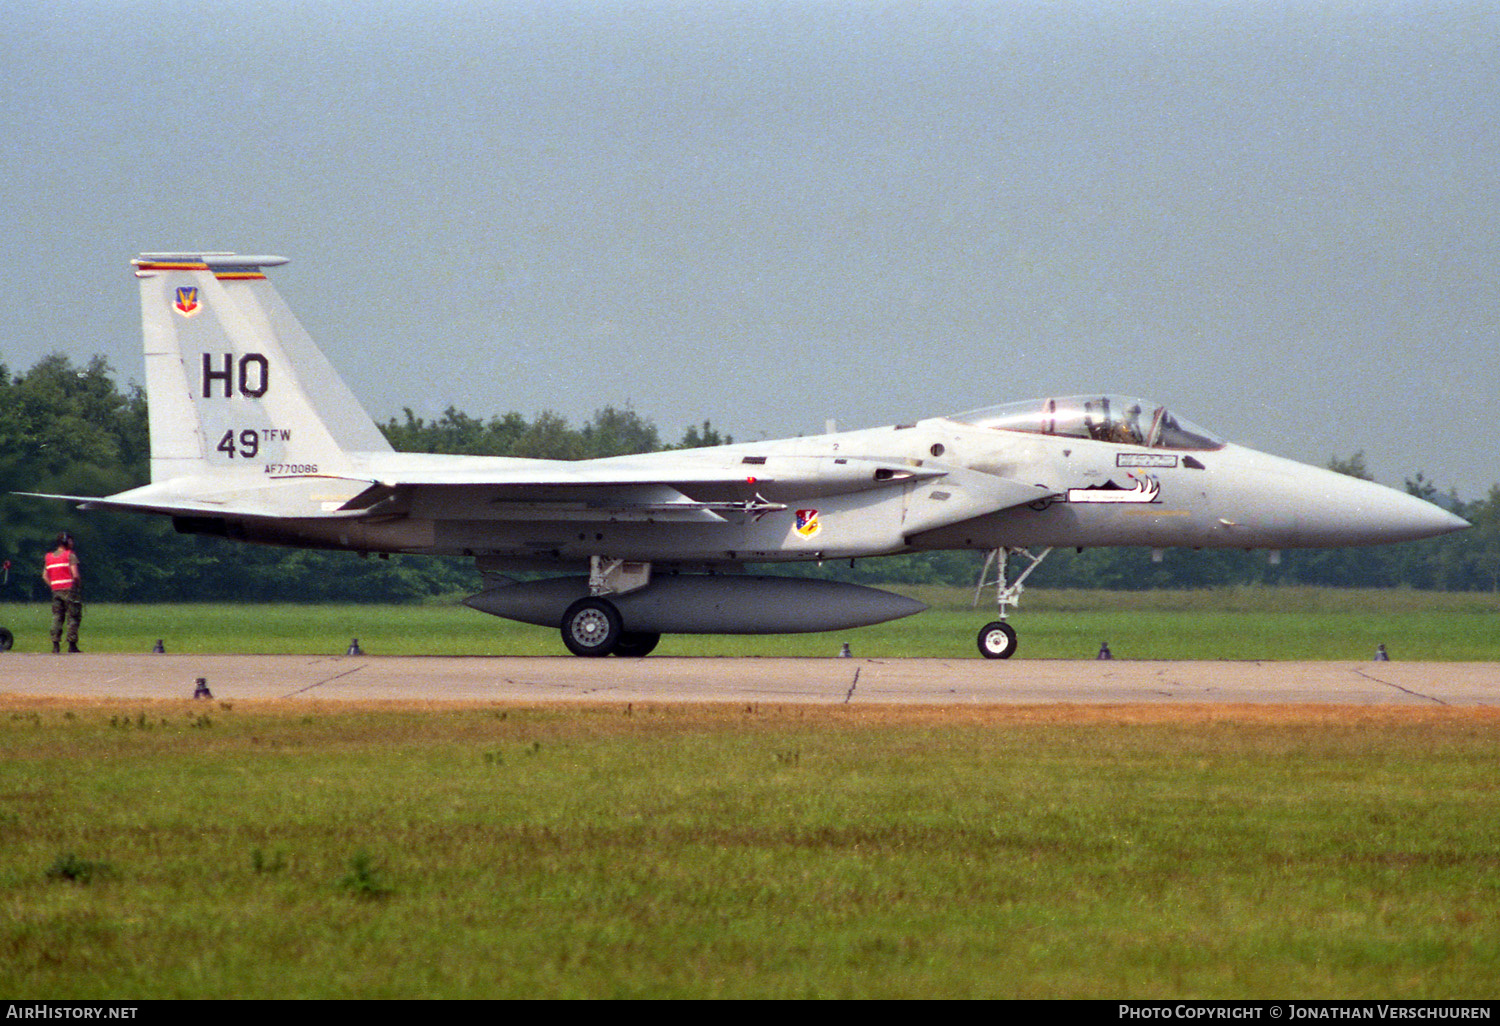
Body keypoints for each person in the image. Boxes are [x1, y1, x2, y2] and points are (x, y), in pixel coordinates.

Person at [42, 532, 82, 654]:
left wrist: (53, 585)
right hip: (69, 589)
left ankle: (55, 645)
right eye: (70, 541)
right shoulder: (70, 555)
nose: (72, 543)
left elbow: (44, 576)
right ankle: (72, 645)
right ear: (66, 542)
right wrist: (78, 586)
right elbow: (75, 575)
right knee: (73, 616)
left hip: (56, 590)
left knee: (57, 617)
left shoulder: (48, 557)